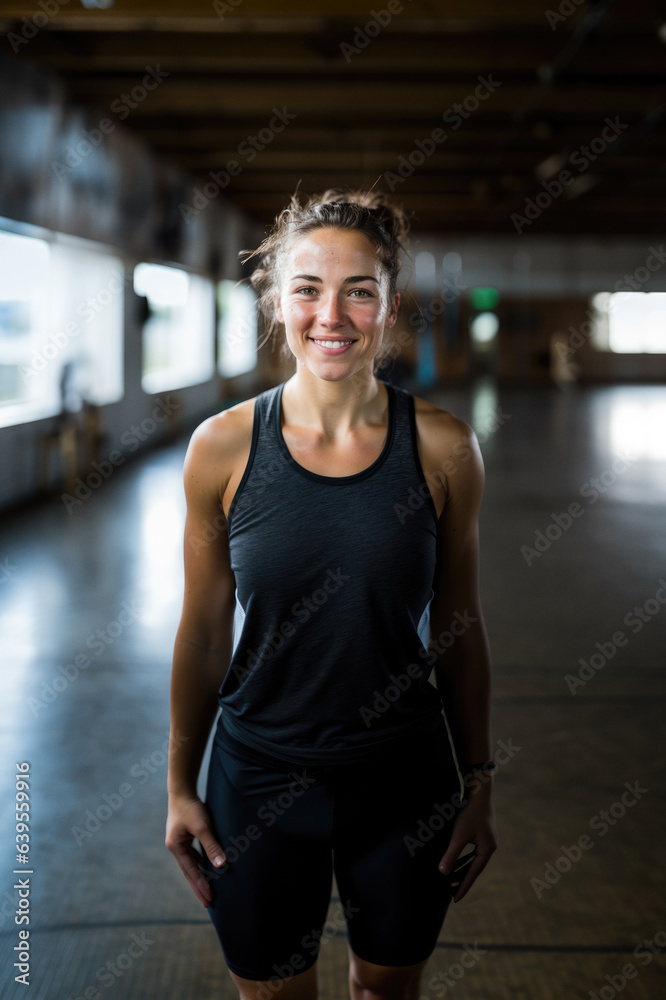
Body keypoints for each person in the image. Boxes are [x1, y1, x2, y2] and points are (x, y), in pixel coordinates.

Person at [165, 188, 498, 1000]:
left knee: (386, 990)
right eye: (309, 288)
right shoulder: (223, 448)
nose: (332, 315)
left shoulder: (445, 448)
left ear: (388, 304)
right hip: (258, 779)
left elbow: (459, 627)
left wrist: (479, 780)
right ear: (279, 300)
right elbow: (205, 633)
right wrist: (180, 784)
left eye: (359, 290)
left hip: (404, 783)